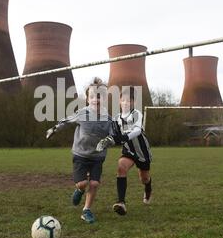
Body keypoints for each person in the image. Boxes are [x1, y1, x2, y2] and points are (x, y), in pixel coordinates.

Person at [45, 77, 113, 224]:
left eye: (100, 96)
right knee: (82, 183)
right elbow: (66, 121)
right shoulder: (82, 113)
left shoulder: (108, 119)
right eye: (92, 96)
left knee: (94, 184)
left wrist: (110, 141)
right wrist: (54, 129)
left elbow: (113, 136)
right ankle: (80, 190)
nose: (96, 99)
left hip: (98, 157)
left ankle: (86, 210)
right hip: (80, 154)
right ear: (88, 99)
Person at [96, 86, 152, 216]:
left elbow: (137, 130)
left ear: (134, 102)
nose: (126, 103)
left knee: (144, 179)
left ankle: (148, 187)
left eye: (129, 100)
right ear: (120, 101)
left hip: (141, 151)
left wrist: (124, 137)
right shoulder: (116, 118)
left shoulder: (137, 114)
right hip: (128, 151)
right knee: (121, 167)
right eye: (123, 100)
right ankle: (121, 202)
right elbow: (115, 135)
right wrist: (108, 139)